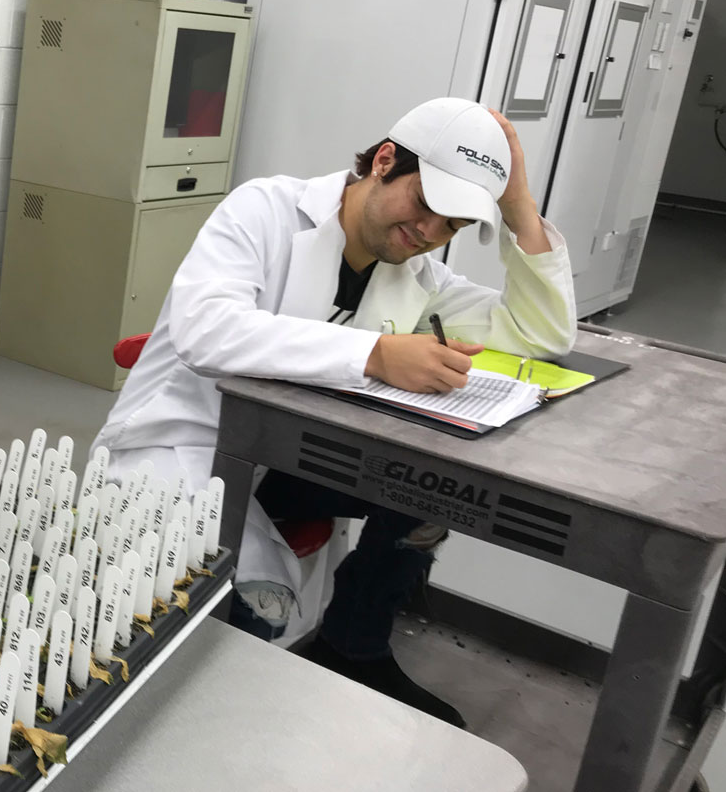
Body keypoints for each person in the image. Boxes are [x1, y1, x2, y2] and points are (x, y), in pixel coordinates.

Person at [91, 98, 576, 727]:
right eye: (424, 204)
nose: (430, 231)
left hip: (292, 459)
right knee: (237, 633)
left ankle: (355, 644)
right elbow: (204, 330)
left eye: (452, 225)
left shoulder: (420, 277)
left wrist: (519, 208)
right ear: (383, 162)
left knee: (434, 488)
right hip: (186, 449)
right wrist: (375, 354)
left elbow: (540, 335)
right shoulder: (265, 211)